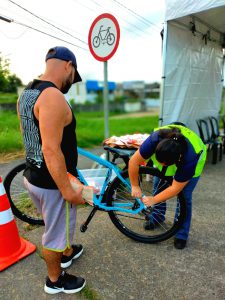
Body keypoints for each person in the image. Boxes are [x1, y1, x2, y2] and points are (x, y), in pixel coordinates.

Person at [17, 46, 86, 294]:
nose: (72, 82)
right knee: (54, 235)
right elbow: (51, 150)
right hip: (53, 183)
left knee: (54, 225)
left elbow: (28, 135)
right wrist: (67, 191)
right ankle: (55, 280)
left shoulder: (27, 93)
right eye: (74, 76)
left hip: (32, 176)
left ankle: (66, 252)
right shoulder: (53, 97)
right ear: (68, 65)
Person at [128, 124, 207, 250]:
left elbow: (176, 188)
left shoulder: (189, 159)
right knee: (158, 188)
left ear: (178, 158)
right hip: (170, 154)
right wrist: (135, 185)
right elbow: (133, 162)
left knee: (184, 198)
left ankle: (181, 234)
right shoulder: (154, 140)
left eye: (164, 163)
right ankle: (157, 217)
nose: (160, 164)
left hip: (195, 163)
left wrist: (153, 200)